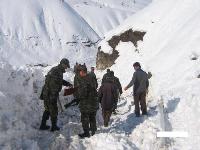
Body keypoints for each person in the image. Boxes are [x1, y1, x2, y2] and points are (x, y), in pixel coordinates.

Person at [39, 58, 72, 131]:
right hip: (50, 94)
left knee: (47, 109)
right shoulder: (57, 71)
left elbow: (59, 80)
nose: (66, 68)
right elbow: (52, 84)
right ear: (63, 64)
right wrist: (54, 94)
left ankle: (43, 125)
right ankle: (54, 127)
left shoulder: (56, 70)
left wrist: (67, 83)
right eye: (66, 66)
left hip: (47, 93)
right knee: (53, 110)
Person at [75, 65, 99, 138]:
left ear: (82, 72)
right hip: (94, 101)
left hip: (86, 103)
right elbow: (96, 85)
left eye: (79, 72)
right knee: (92, 117)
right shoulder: (92, 76)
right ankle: (93, 131)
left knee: (85, 118)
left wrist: (77, 97)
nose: (79, 73)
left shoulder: (82, 80)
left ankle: (86, 133)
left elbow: (81, 93)